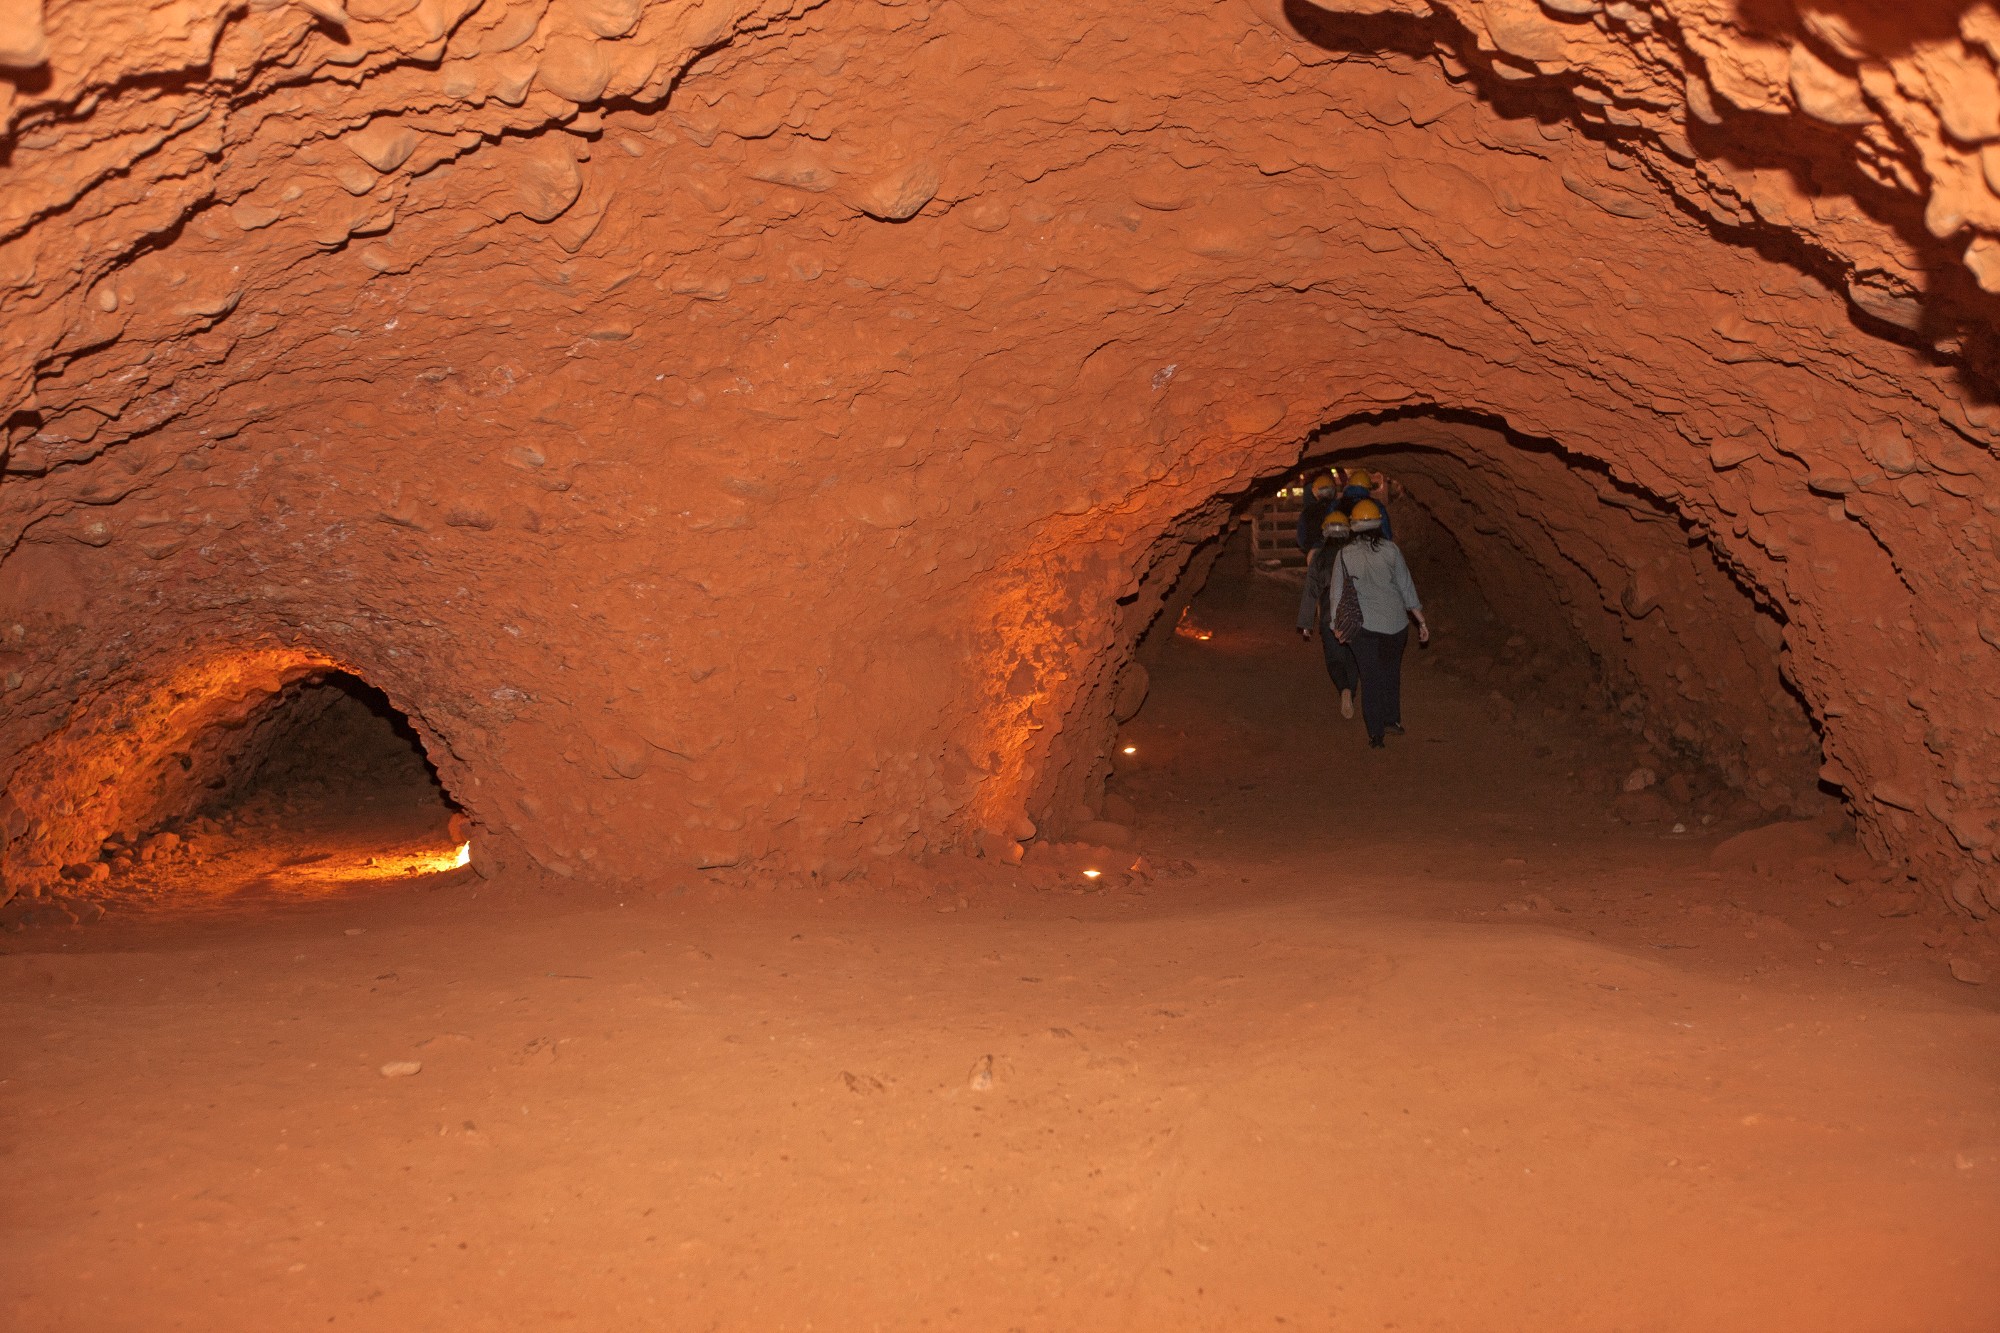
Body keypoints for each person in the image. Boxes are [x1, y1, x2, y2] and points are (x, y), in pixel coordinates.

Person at [1329, 499, 1428, 748]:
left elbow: (1336, 593)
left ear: (1353, 526)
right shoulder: (1391, 550)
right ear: (1378, 524)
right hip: (1396, 626)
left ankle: (1375, 734)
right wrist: (1421, 621)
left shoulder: (1344, 555)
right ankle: (1391, 720)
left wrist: (1335, 625)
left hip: (1363, 629)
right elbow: (1406, 586)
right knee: (1391, 673)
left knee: (1370, 678)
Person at [1296, 509, 1360, 719]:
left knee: (1334, 659)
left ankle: (1344, 689)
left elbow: (1310, 591)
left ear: (1325, 532)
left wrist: (1306, 624)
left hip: (1328, 614)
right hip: (1354, 615)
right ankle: (1351, 691)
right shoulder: (1356, 555)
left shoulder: (1319, 557)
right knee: (1353, 657)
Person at [1340, 467, 1394, 541]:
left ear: (1349, 485)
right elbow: (1386, 534)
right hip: (1373, 544)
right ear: (1368, 487)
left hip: (1346, 545)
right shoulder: (1377, 505)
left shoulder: (1337, 504)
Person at [1294, 473, 1339, 552]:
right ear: (1333, 490)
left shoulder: (1308, 511)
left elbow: (1301, 538)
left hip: (1315, 550)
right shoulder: (1340, 507)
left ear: (1315, 491)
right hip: (1338, 549)